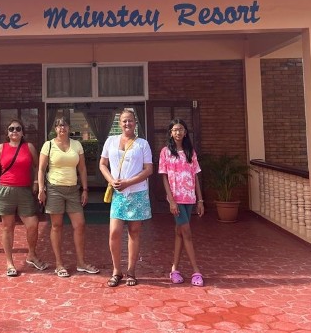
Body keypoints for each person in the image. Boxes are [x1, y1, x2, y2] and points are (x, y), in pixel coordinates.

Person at [99, 108, 153, 287]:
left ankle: (131, 271)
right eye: (124, 121)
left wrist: (128, 182)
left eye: (130, 120)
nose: (127, 124)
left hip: (137, 192)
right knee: (114, 232)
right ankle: (116, 270)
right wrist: (111, 180)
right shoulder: (111, 141)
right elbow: (103, 164)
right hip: (118, 193)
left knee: (134, 232)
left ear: (135, 123)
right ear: (119, 123)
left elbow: (148, 169)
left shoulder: (142, 144)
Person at [38, 117, 99, 277]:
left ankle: (81, 262)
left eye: (64, 125)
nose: (61, 128)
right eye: (58, 126)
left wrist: (85, 189)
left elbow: (83, 168)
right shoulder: (48, 145)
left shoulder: (77, 145)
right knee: (56, 226)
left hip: (73, 190)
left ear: (69, 127)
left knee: (80, 225)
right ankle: (59, 264)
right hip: (54, 189)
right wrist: (41, 189)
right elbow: (41, 169)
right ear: (55, 129)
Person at [0, 119, 48, 277]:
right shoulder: (2, 148)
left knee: (33, 224)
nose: (14, 131)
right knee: (8, 227)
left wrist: (36, 182)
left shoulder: (28, 147)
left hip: (24, 191)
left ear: (22, 132)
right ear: (7, 132)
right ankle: (10, 263)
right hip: (5, 191)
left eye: (18, 129)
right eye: (11, 129)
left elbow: (38, 166)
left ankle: (31, 254)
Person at [159, 118, 205, 286]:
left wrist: (200, 200)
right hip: (176, 200)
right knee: (187, 233)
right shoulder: (165, 152)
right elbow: (164, 177)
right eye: (175, 130)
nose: (178, 132)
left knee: (179, 233)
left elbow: (195, 177)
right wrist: (171, 201)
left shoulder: (190, 152)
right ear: (171, 133)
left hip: (190, 198)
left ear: (185, 132)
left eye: (181, 129)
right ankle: (196, 271)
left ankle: (174, 269)